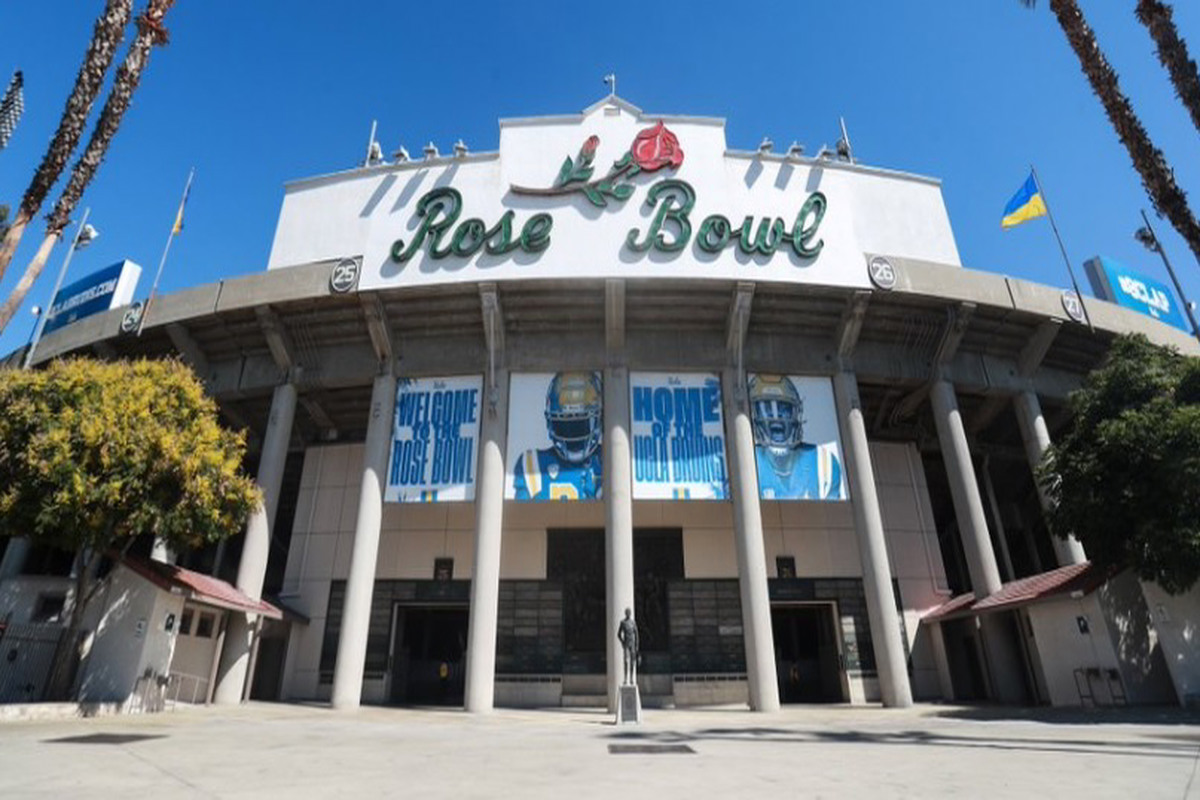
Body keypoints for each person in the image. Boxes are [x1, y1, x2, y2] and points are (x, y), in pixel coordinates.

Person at [749, 374, 843, 500]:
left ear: (796, 412)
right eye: (766, 409)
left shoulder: (823, 462)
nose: (776, 420)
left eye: (784, 409)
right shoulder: (748, 463)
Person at [513, 371, 603, 501]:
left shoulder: (606, 462)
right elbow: (518, 518)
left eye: (580, 423)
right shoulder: (534, 464)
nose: (573, 431)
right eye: (565, 423)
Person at [617, 607, 639, 685]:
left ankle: (631, 678)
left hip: (632, 644)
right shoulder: (623, 622)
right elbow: (619, 634)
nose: (628, 613)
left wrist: (636, 646)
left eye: (629, 612)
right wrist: (622, 642)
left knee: (632, 662)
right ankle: (625, 678)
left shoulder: (633, 623)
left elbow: (636, 634)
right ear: (625, 613)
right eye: (627, 612)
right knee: (626, 661)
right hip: (626, 644)